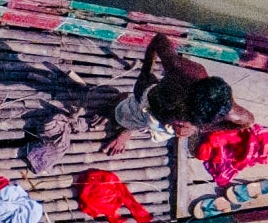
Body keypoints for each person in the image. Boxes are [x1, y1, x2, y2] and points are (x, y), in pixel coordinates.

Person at [102, 34, 254, 154]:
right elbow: (159, 39)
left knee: (147, 127)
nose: (185, 116)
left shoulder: (227, 109)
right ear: (190, 91)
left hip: (163, 127)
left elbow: (248, 122)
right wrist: (145, 71)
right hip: (149, 102)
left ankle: (129, 130)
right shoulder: (184, 70)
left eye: (194, 118)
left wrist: (197, 128)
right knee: (118, 114)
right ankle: (123, 116)